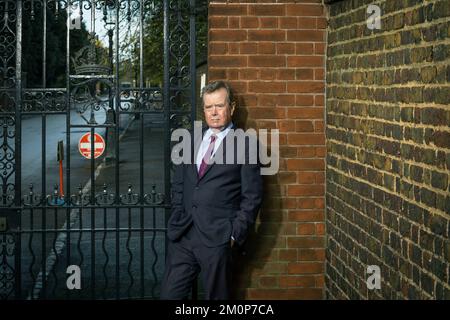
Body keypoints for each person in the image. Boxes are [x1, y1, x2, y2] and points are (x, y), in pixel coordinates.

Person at [160, 80, 263, 300]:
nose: (214, 113)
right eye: (209, 107)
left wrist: (235, 233)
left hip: (218, 238)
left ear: (232, 108)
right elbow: (180, 184)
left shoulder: (246, 144)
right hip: (184, 234)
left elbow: (252, 197)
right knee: (170, 295)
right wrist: (177, 213)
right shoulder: (191, 138)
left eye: (219, 106)